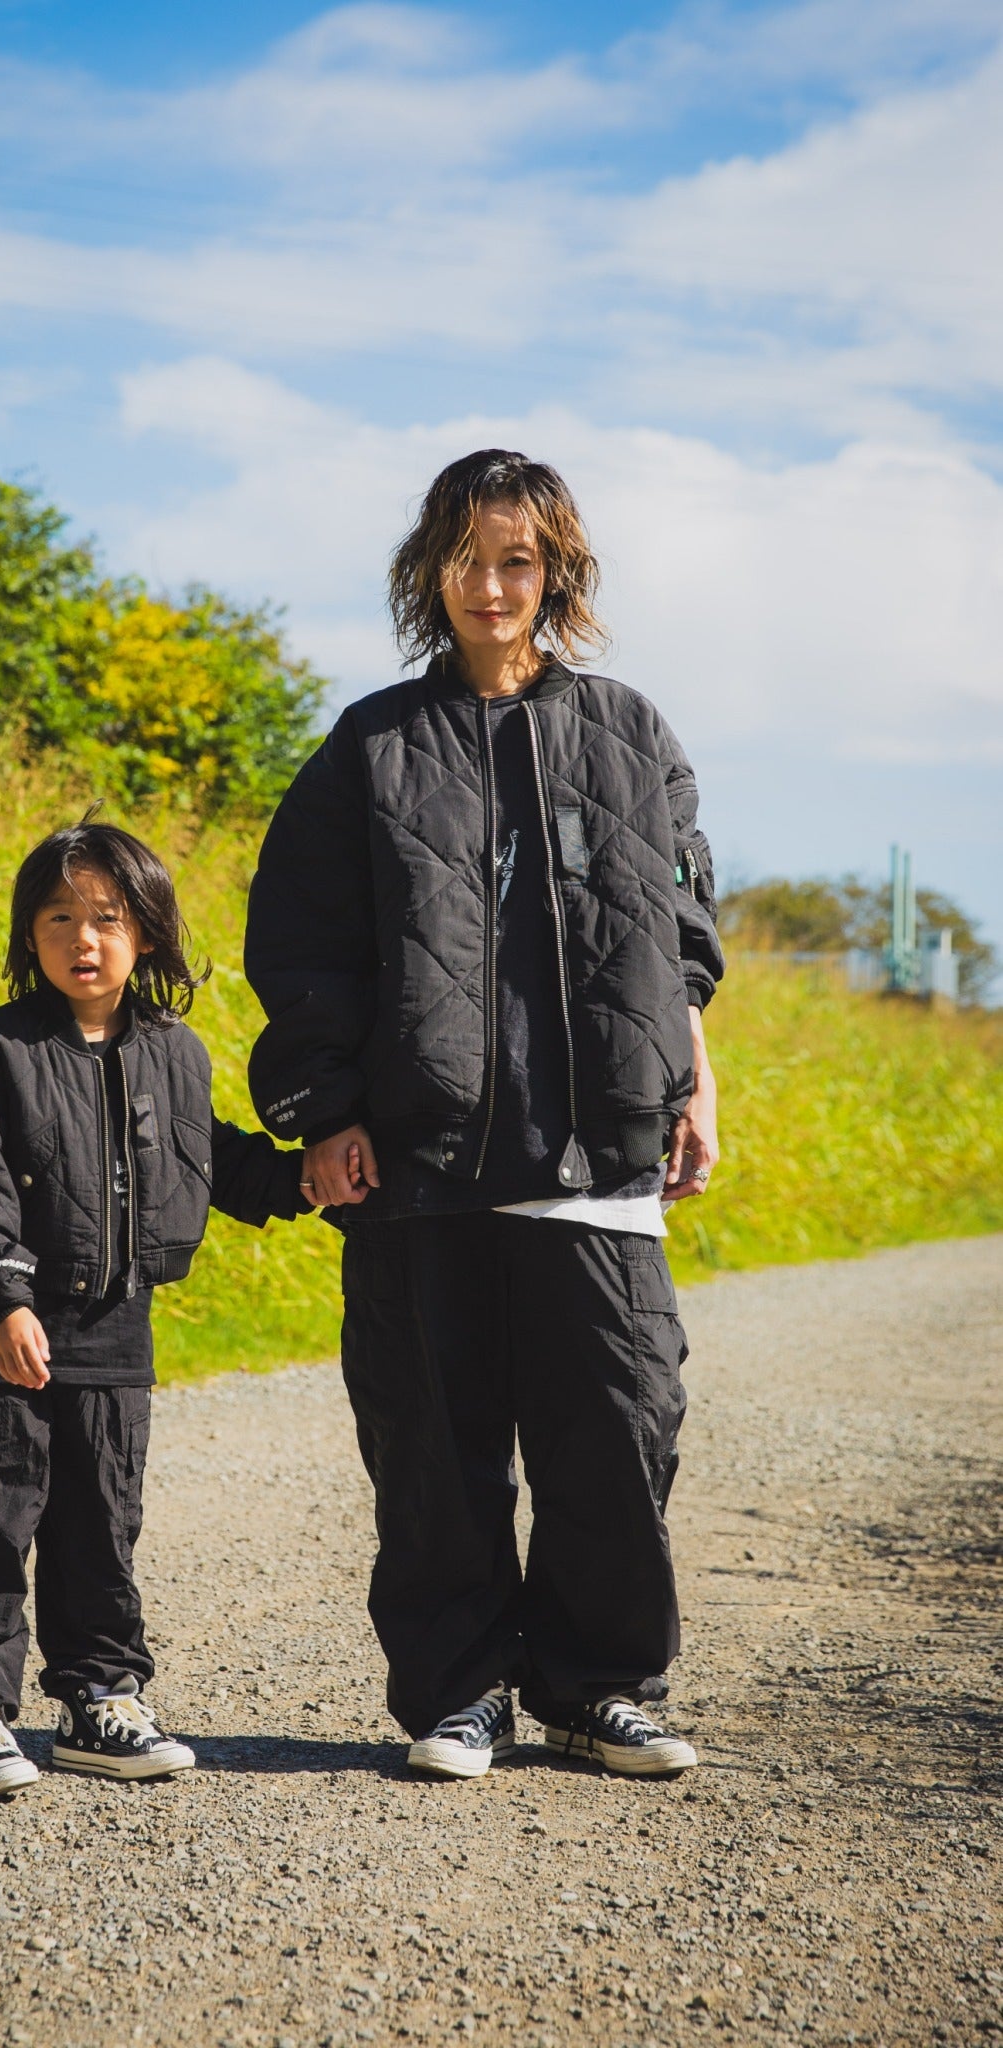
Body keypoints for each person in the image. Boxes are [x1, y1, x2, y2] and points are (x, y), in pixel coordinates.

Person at [244, 449, 723, 1781]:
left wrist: (698, 1085)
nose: (492, 585)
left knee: (621, 1427)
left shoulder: (632, 734)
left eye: (517, 560)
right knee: (431, 1452)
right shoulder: (372, 747)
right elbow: (301, 946)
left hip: (598, 1157)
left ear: (554, 573)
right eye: (468, 559)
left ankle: (594, 1688)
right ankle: (460, 1696)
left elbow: (683, 942)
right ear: (431, 573)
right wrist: (325, 1112)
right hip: (421, 1161)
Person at [0, 818, 307, 1801]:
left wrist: (309, 1180)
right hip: (8, 1336)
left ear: (147, 934)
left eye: (106, 917)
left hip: (117, 1336)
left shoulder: (175, 1052)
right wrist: (3, 1297)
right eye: (58, 917)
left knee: (99, 1526)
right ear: (28, 935)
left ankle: (100, 1696)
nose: (82, 939)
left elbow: (208, 1157)